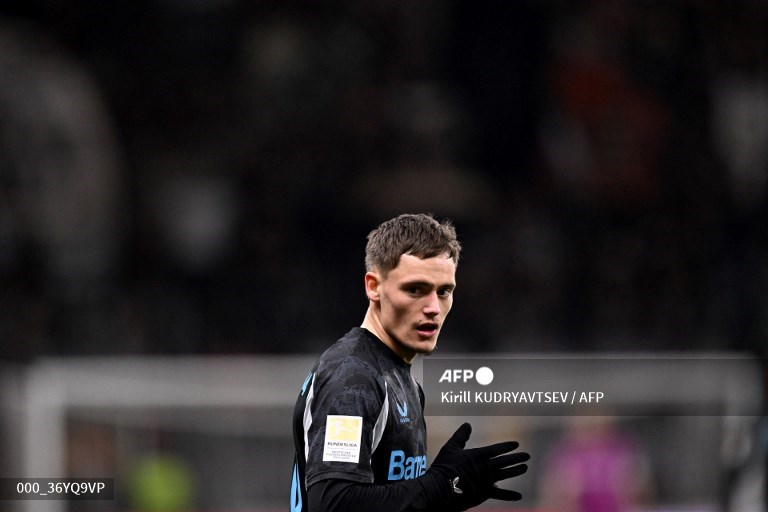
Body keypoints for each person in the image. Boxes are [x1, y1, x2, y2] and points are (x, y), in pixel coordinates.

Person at [290, 213, 530, 512]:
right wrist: (439, 486)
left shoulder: (403, 381)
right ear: (373, 286)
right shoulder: (352, 376)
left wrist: (445, 495)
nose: (433, 308)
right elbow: (333, 503)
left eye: (444, 291)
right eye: (415, 289)